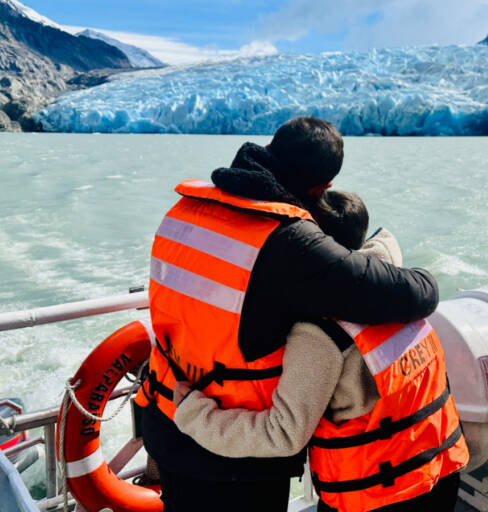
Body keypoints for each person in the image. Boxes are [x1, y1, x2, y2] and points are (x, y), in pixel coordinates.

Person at [134, 117, 441, 511]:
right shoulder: (287, 241)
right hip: (234, 453)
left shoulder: (188, 207)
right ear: (322, 187)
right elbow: (405, 294)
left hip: (167, 413)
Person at [172, 190, 469, 512]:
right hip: (440, 471)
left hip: (375, 495)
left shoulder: (319, 335)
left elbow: (283, 434)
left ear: (317, 252)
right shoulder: (402, 291)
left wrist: (193, 414)